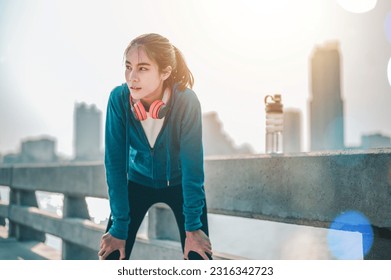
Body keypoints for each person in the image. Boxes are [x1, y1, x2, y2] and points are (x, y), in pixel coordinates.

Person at [98, 33, 212, 260]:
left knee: (199, 256)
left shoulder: (186, 102)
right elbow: (115, 164)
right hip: (137, 183)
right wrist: (119, 228)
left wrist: (193, 227)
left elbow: (192, 166)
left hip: (179, 183)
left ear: (165, 72)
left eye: (143, 68)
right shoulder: (119, 100)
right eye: (129, 67)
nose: (132, 77)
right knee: (111, 256)